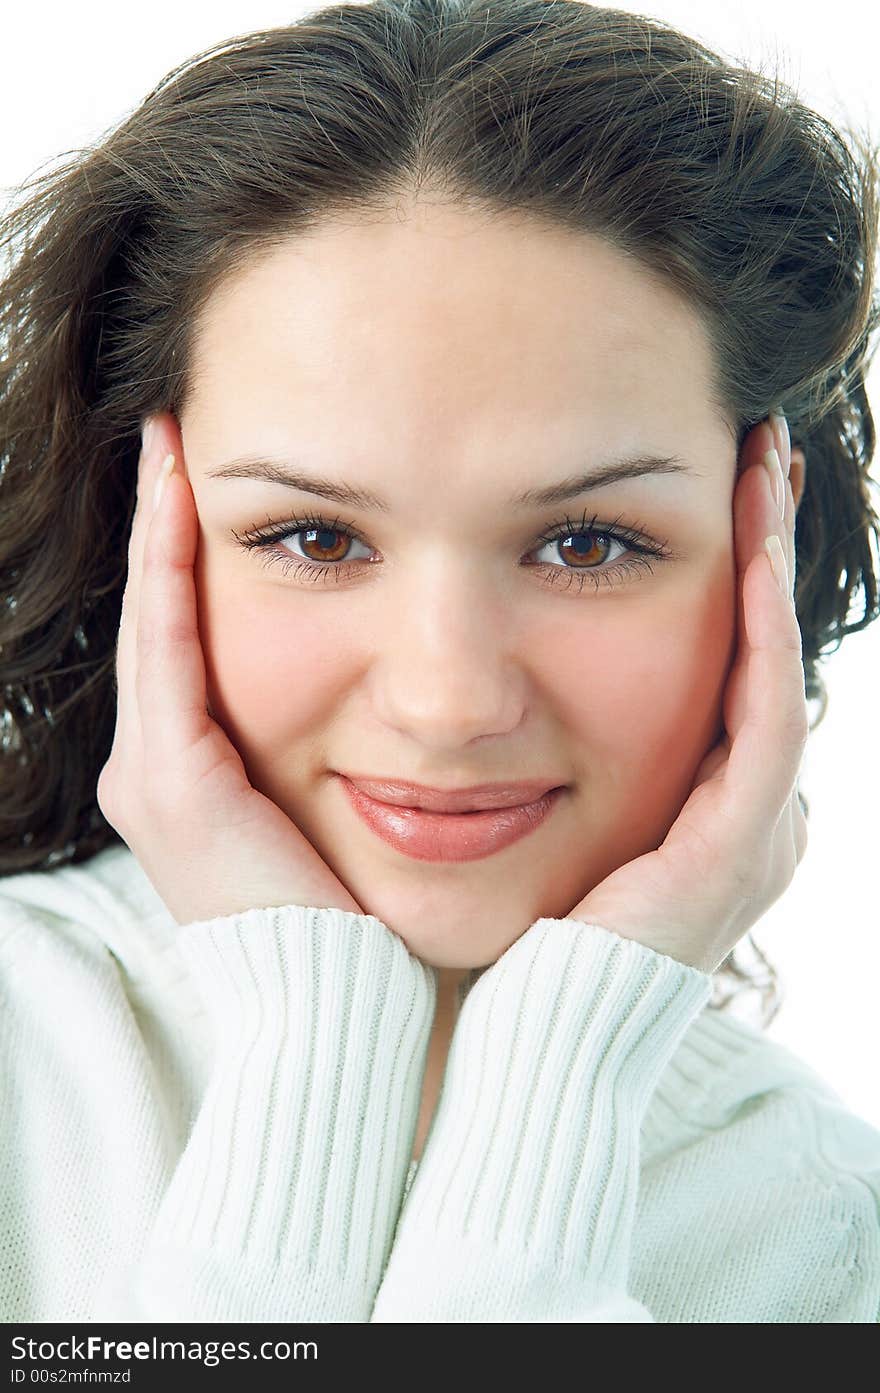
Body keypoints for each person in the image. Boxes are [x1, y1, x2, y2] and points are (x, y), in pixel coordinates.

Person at [1, 0, 878, 1324]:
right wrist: (313, 1046)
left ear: (764, 525)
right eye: (312, 533)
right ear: (151, 530)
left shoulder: (823, 1230)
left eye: (588, 542)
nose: (448, 701)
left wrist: (559, 1073)